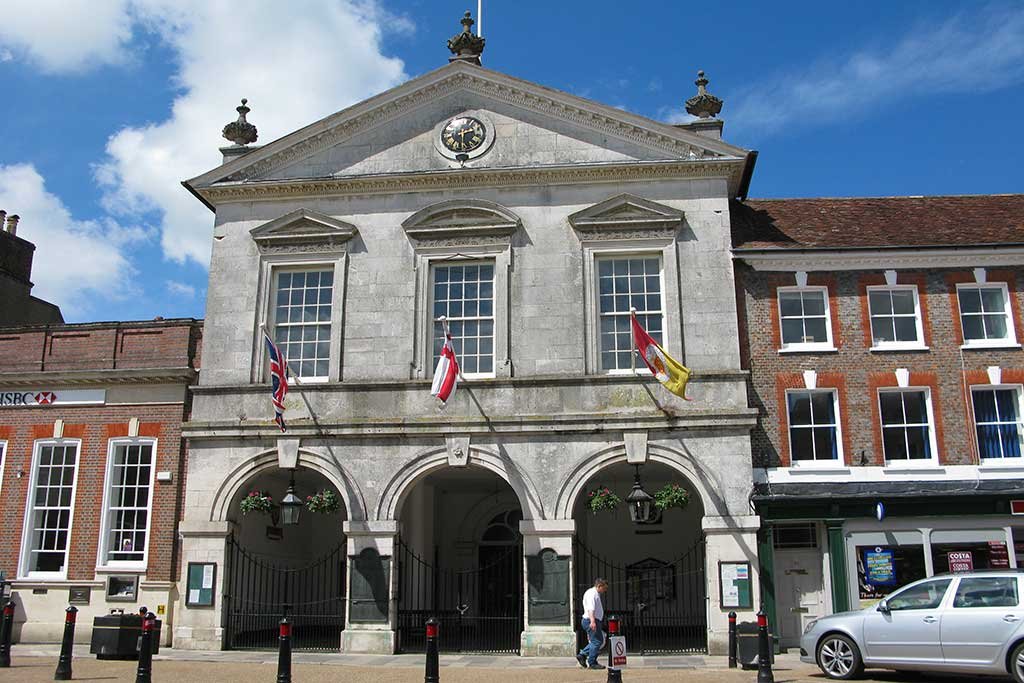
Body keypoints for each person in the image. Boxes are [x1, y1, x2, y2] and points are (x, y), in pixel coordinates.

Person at [576, 577, 608, 669]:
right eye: (604, 588)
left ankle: (582, 655)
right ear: (599, 586)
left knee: (597, 641)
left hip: (592, 620)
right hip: (590, 620)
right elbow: (591, 608)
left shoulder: (594, 593)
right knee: (597, 641)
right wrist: (593, 621)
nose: (605, 590)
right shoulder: (592, 594)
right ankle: (592, 662)